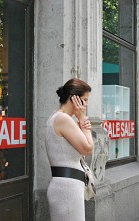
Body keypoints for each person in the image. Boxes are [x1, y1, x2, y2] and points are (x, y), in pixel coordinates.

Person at [45, 78, 94, 221]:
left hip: (66, 186)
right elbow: (88, 148)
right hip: (67, 189)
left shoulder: (57, 117)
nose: (86, 104)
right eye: (84, 100)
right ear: (74, 99)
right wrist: (83, 120)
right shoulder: (63, 119)